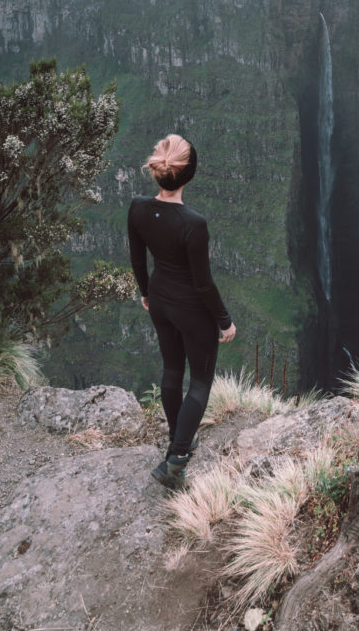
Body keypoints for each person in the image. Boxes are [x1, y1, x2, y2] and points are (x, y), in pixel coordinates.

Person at [127, 134, 236, 490]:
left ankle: (179, 439)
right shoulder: (193, 222)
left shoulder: (138, 208)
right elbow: (203, 284)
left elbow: (137, 258)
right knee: (200, 381)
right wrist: (225, 321)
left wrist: (146, 293)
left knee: (172, 370)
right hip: (192, 309)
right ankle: (176, 461)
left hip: (159, 301)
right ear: (188, 174)